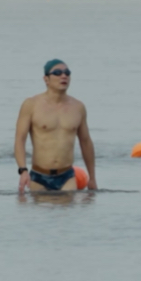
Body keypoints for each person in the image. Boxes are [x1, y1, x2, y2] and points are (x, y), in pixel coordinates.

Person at [14, 58, 97, 191]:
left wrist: (92, 178)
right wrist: (23, 170)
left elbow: (86, 142)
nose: (63, 76)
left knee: (68, 212)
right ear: (46, 79)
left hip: (67, 176)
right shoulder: (31, 105)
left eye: (67, 73)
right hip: (39, 176)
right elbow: (20, 140)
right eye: (57, 73)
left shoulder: (78, 107)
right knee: (38, 212)